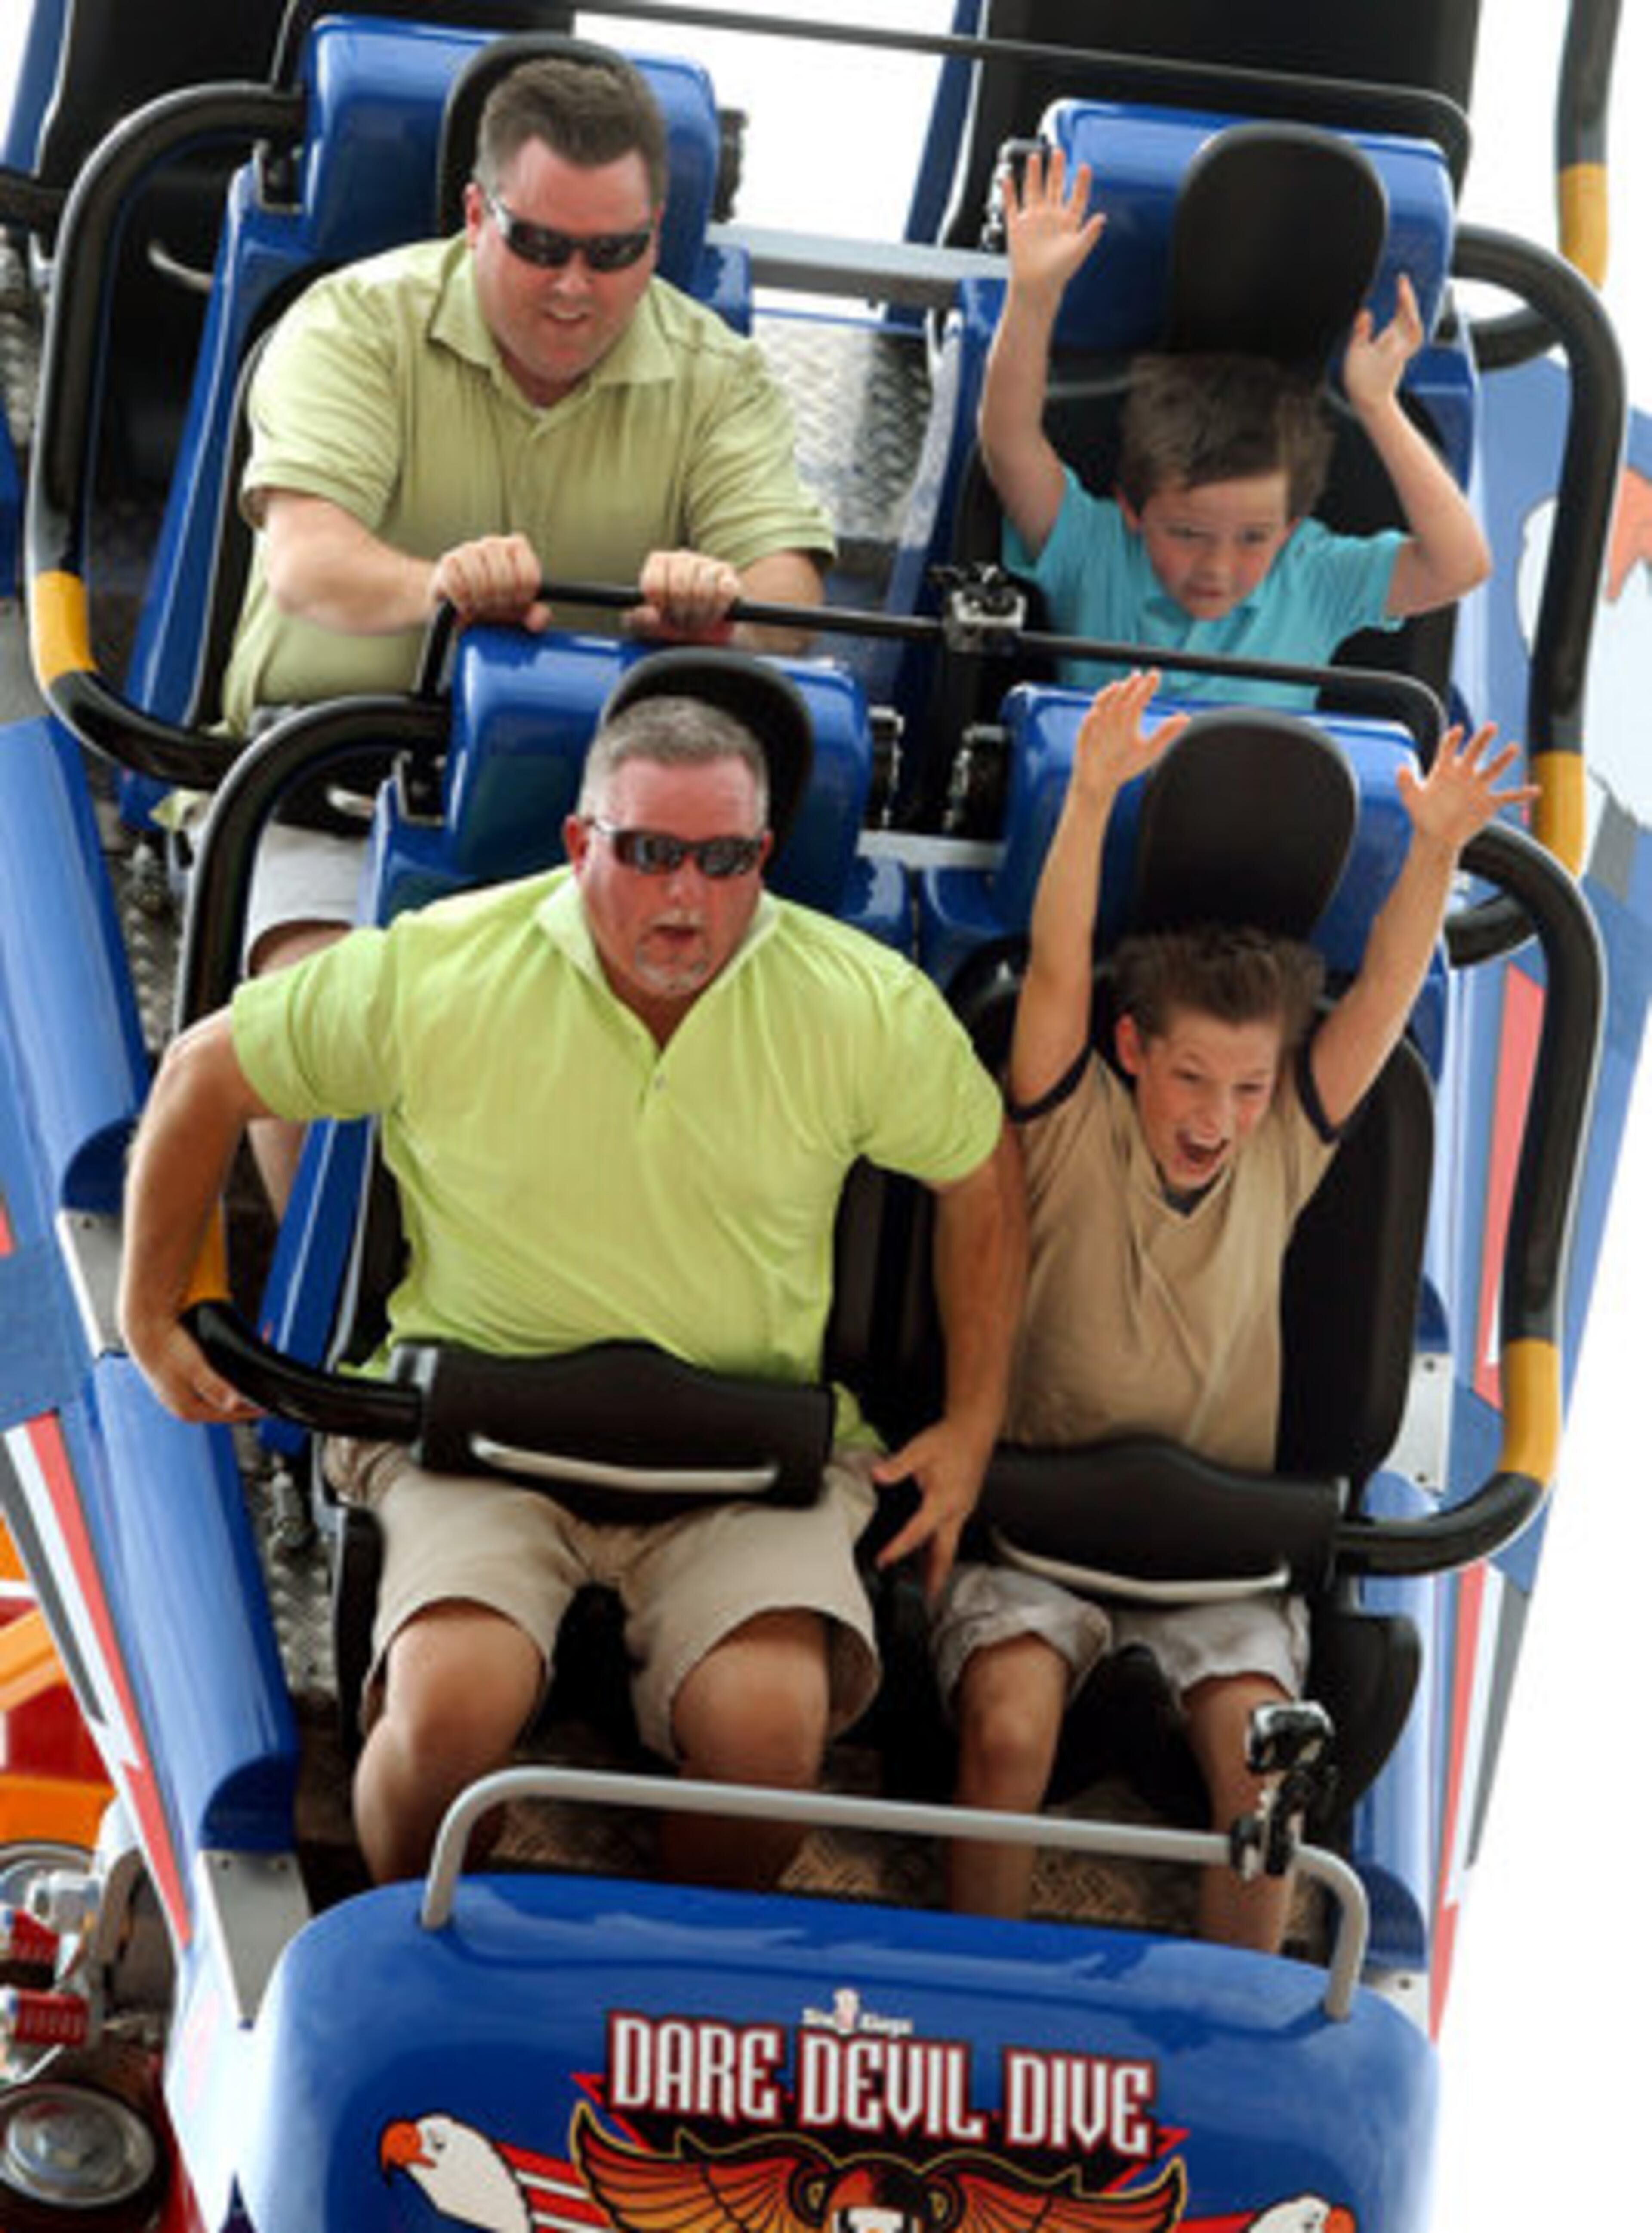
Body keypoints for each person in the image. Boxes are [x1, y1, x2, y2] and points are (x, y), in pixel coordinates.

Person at [121, 658, 1024, 1890]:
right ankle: (413, 1938)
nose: (687, 895)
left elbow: (982, 1174)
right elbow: (202, 1074)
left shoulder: (861, 1003)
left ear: (764, 855)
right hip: (482, 1444)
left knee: (770, 1737)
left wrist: (974, 1424)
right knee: (449, 1709)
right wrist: (151, 1312)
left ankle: (661, 1983)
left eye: (724, 859)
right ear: (578, 841)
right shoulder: (446, 967)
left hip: (740, 1464)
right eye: (650, 852)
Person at [931, 667, 1532, 1947]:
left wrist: (1434, 849)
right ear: (1133, 1051)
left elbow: (1381, 1001)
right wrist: (1089, 796)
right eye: (1193, 1077)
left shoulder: (1285, 1144)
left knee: (1270, 1772)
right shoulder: (1067, 1114)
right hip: (1040, 1535)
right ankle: (979, 1983)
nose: (1219, 1117)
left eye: (1249, 1088)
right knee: (1009, 1729)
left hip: (1222, 1555)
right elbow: (1057, 964)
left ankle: (1225, 2013)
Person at [218, 49, 836, 1200]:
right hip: (342, 788)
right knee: (317, 1065)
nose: (574, 287)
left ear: (657, 238)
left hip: (614, 832)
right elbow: (307, 564)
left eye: (615, 253)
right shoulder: (354, 322)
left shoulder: (719, 374)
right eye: (542, 244)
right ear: (476, 215)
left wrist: (725, 617)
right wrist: (442, 590)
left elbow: (789, 590)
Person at [978, 146, 1492, 705]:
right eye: (1187, 533)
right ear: (1132, 509)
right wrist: (1033, 295)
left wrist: (1377, 405)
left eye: (1253, 538)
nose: (1217, 569)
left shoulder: (1314, 577)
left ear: (1292, 526)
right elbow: (1008, 441)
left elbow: (1459, 566)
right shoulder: (1091, 550)